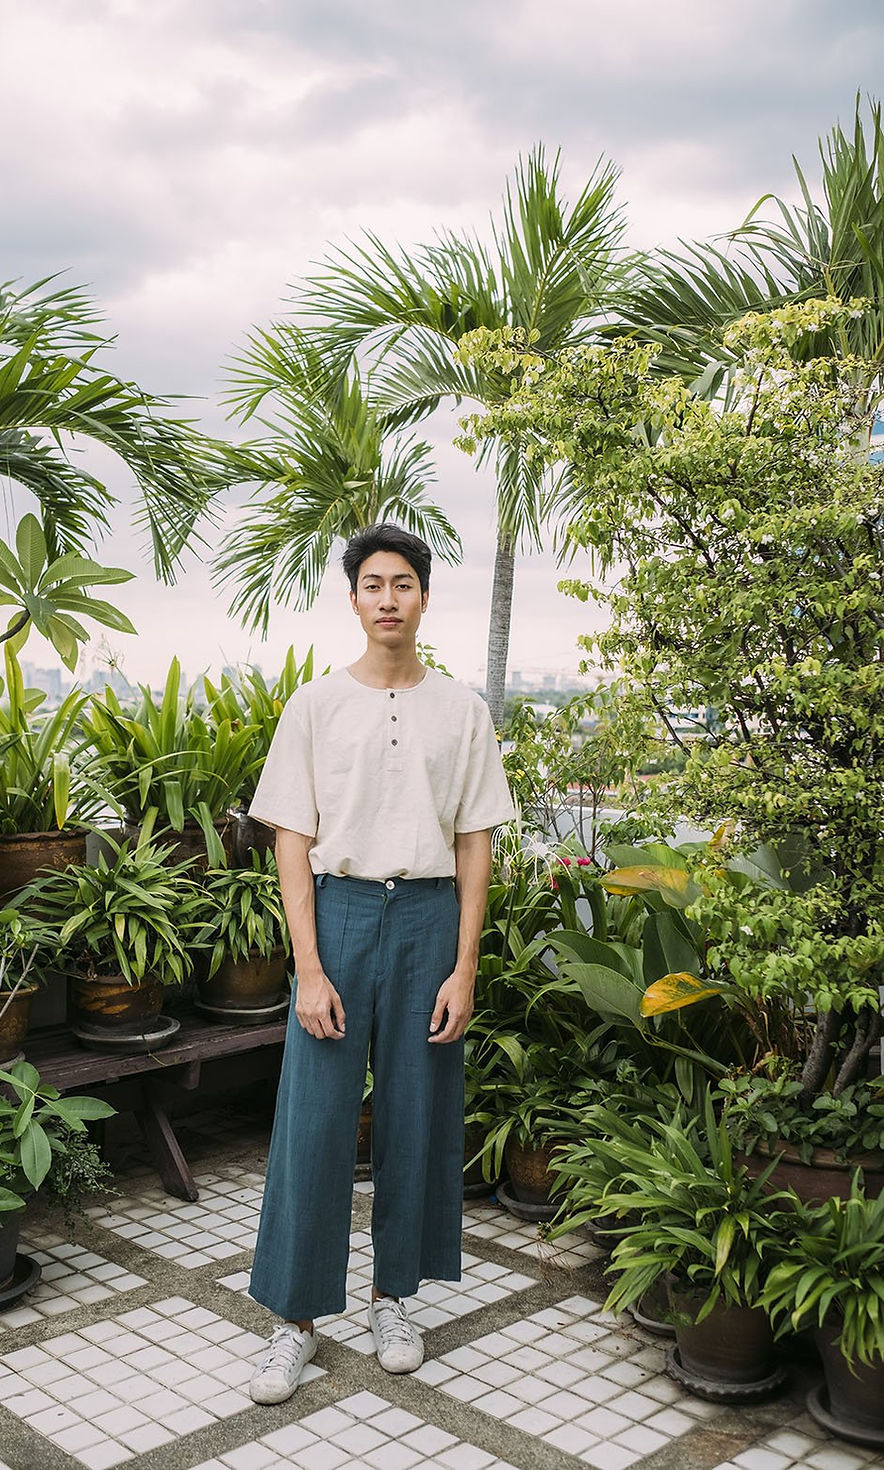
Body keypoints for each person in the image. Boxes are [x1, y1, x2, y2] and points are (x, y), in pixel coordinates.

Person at [246, 523, 514, 1405]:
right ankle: (294, 1320)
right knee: (315, 1120)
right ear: (354, 598)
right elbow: (291, 840)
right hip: (342, 915)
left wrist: (464, 967)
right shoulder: (315, 705)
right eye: (373, 584)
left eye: (403, 583)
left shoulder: (462, 711)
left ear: (424, 598)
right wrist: (309, 967)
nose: (388, 598)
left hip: (429, 919)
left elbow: (474, 843)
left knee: (417, 1113)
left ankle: (393, 1298)